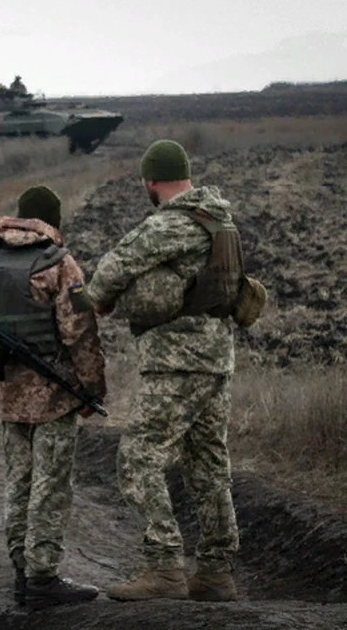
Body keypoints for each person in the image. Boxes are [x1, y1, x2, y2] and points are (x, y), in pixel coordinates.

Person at [85, 140, 245, 603]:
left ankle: (165, 567)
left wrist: (96, 300)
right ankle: (215, 573)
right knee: (208, 464)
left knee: (136, 458)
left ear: (152, 181)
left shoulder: (171, 224)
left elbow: (112, 269)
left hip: (177, 361)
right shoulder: (221, 220)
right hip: (216, 359)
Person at [0, 186, 107, 609]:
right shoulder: (59, 263)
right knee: (50, 486)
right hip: (55, 396)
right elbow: (80, 331)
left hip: (11, 395)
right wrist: (92, 387)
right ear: (54, 220)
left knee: (19, 483)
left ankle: (22, 571)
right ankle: (43, 578)